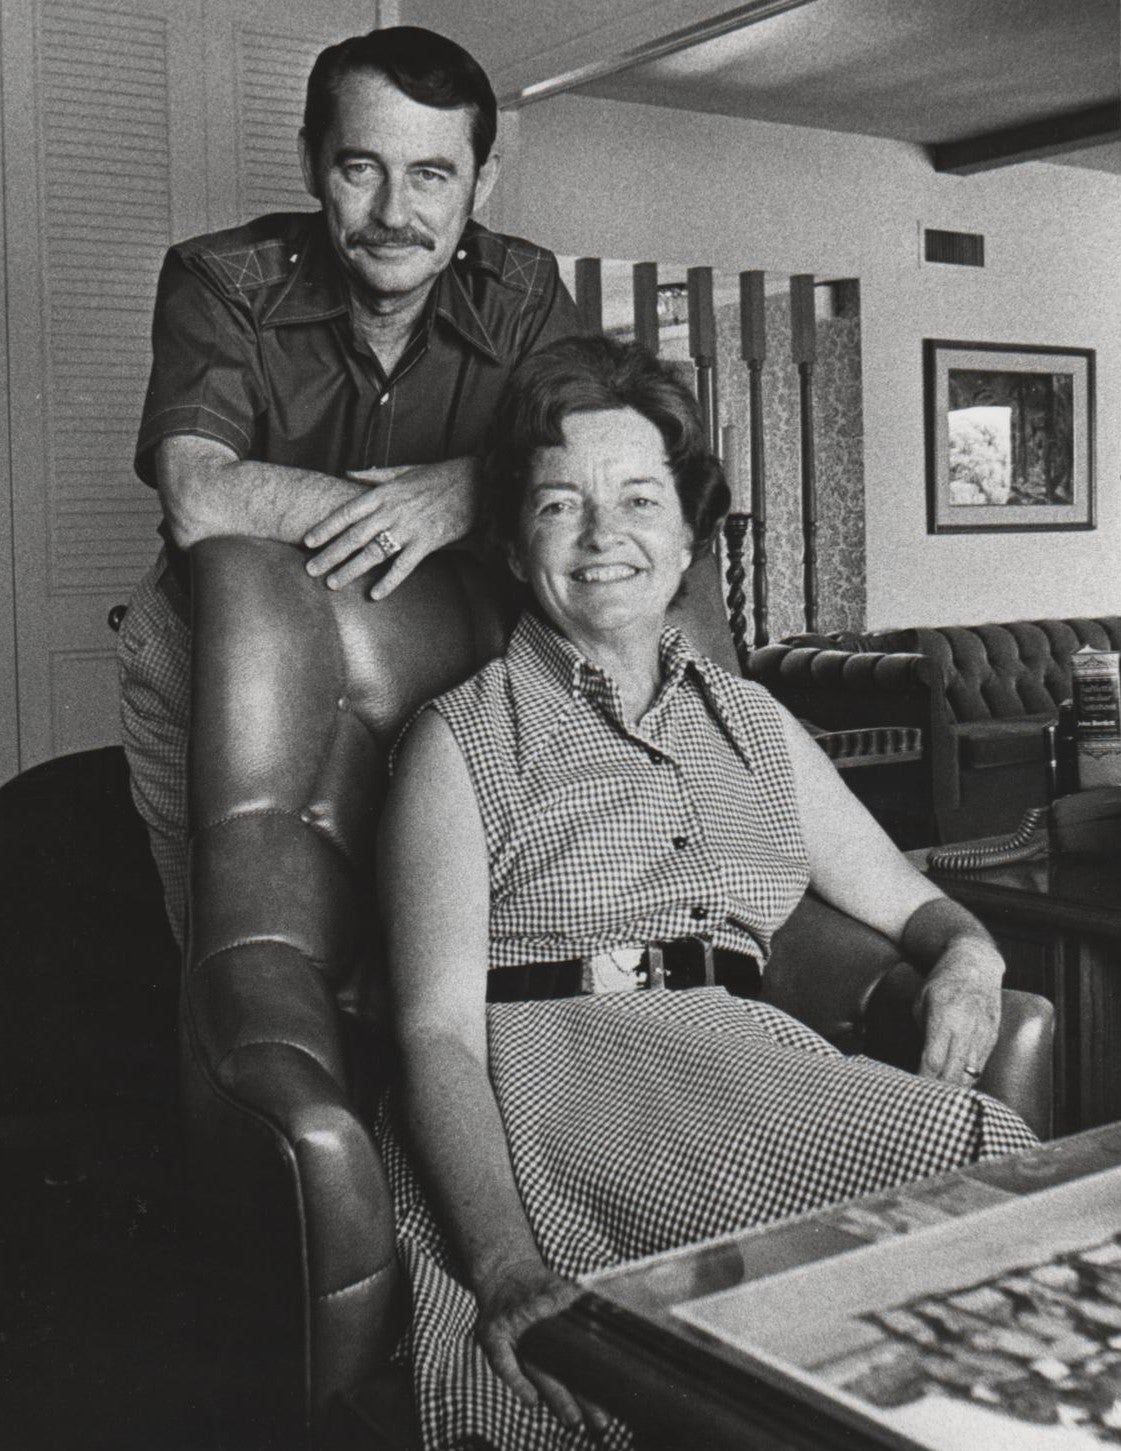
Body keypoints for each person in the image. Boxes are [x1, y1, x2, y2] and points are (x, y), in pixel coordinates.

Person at [375, 335, 1038, 1451]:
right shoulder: (461, 738)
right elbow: (433, 1033)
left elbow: (915, 904)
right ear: (507, 537)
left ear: (688, 532)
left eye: (639, 498)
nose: (602, 536)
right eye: (556, 505)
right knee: (964, 1172)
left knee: (984, 1199)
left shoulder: (756, 723)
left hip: (734, 1068)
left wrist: (970, 960)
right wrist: (501, 1264)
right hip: (562, 1088)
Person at [118, 26, 580, 941]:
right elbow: (199, 495)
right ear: (311, 163)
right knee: (237, 945)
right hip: (212, 657)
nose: (393, 212)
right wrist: (427, 504)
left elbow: (592, 461)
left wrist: (465, 488)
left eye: (432, 175)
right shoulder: (218, 279)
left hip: (437, 664)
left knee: (421, 939)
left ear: (480, 184)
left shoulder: (524, 290)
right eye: (361, 168)